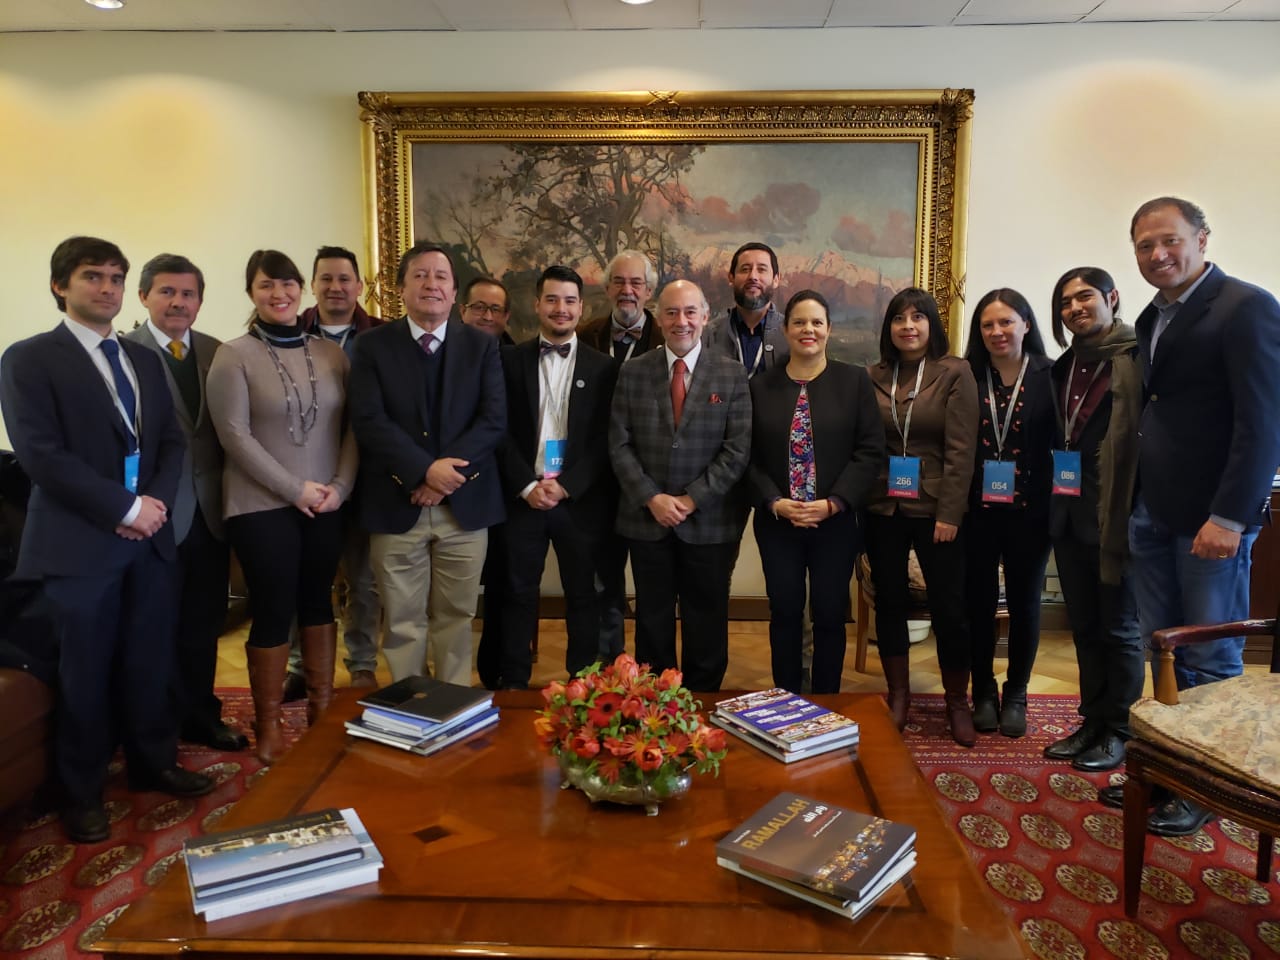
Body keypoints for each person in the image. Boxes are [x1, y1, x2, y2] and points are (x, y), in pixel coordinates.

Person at [1, 236, 213, 844]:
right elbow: (41, 455)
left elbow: (169, 442)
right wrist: (124, 507)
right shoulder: (28, 358)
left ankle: (153, 763)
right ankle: (81, 791)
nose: (107, 288)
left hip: (148, 541)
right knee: (84, 673)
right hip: (79, 546)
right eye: (92, 276)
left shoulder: (141, 359)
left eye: (116, 278)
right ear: (59, 285)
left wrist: (153, 507)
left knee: (149, 659)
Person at [1099, 197, 1280, 836]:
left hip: (1210, 521)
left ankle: (1207, 785)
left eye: (1169, 240)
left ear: (1201, 239)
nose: (1158, 255)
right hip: (1152, 512)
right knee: (1166, 649)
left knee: (1210, 652)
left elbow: (1263, 425)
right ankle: (1170, 769)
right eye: (1145, 245)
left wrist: (1229, 517)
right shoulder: (1153, 315)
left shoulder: (1245, 306)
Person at [206, 249, 357, 764]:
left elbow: (352, 429)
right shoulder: (233, 355)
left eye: (288, 284)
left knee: (318, 602)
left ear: (301, 290)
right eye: (267, 285)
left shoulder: (331, 354)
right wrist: (295, 489)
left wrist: (340, 487)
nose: (280, 293)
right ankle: (268, 723)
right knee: (273, 608)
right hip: (260, 504)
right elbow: (234, 436)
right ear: (251, 292)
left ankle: (321, 714)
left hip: (326, 502)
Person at [348, 242, 506, 685]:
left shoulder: (481, 347)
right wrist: (422, 472)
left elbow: (493, 420)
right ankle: (410, 704)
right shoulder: (371, 346)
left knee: (457, 616)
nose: (431, 284)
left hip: (464, 506)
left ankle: (453, 704)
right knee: (402, 619)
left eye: (441, 276)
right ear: (401, 288)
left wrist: (442, 479)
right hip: (395, 502)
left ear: (454, 293)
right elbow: (369, 420)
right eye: (420, 275)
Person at [124, 254, 247, 751]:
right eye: (167, 292)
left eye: (188, 294)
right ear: (144, 296)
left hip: (210, 513)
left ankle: (201, 716)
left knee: (203, 623)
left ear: (200, 301)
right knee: (152, 627)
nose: (179, 302)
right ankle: (152, 726)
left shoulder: (219, 352)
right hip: (150, 515)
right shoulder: (122, 352)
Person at [609, 279, 750, 692]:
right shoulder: (633, 372)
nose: (681, 321)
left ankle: (702, 701)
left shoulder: (731, 373)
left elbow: (737, 449)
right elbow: (618, 444)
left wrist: (691, 499)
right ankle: (656, 703)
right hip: (647, 519)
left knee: (706, 618)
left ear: (705, 317)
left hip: (709, 522)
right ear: (659, 317)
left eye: (690, 312)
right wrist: (651, 497)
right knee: (652, 618)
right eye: (671, 312)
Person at [747, 290, 883, 694]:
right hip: (778, 522)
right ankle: (786, 695)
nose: (808, 329)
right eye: (799, 322)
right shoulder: (760, 387)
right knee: (785, 610)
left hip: (835, 522)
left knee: (829, 613)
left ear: (829, 329)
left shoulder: (854, 381)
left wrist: (835, 503)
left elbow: (870, 450)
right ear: (786, 330)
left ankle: (827, 698)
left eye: (817, 322)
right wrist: (774, 501)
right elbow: (746, 457)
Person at [864, 288, 979, 746]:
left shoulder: (955, 372)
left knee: (950, 607)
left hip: (936, 510)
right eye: (899, 318)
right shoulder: (873, 375)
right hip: (883, 506)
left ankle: (956, 702)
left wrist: (950, 511)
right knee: (889, 602)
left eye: (918, 317)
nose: (908, 326)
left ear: (933, 324)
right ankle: (898, 695)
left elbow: (961, 449)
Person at [496, 266, 618, 687]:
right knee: (517, 594)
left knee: (584, 595)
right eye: (551, 299)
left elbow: (606, 438)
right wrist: (528, 485)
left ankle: (581, 684)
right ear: (537, 305)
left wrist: (566, 485)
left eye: (569, 301)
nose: (560, 308)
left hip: (578, 500)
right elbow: (498, 431)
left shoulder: (604, 368)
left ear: (581, 307)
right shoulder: (509, 361)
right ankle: (514, 685)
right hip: (523, 498)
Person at [1041, 267, 1143, 773]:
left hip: (1117, 515)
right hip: (1069, 513)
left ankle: (1120, 730)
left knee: (1119, 628)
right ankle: (1092, 720)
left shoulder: (1138, 359)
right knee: (1084, 625)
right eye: (1065, 302)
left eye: (1085, 297)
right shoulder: (1063, 367)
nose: (1075, 308)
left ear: (1112, 298)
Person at [279, 246, 384, 694]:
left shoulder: (382, 336)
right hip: (306, 478)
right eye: (326, 278)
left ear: (359, 286)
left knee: (364, 581)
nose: (336, 287)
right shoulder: (287, 333)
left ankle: (361, 663)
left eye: (344, 279)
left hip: (367, 480)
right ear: (313, 285)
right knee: (306, 577)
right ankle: (301, 665)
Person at [962, 289, 1055, 738]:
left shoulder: (1051, 375)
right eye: (987, 325)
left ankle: (1016, 692)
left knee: (1025, 603)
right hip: (976, 510)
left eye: (1006, 322)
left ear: (1026, 325)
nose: (997, 331)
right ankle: (982, 690)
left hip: (1031, 512)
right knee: (977, 603)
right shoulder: (965, 375)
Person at [577, 250, 663, 662]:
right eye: (619, 282)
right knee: (601, 581)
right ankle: (607, 669)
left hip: (650, 483)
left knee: (653, 587)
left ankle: (648, 676)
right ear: (608, 287)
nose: (627, 290)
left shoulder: (668, 337)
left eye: (636, 283)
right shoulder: (584, 335)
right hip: (596, 482)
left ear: (649, 291)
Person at [461, 275, 515, 689]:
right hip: (453, 485)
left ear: (506, 316)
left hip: (507, 490)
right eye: (478, 307)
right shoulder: (445, 354)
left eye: (495, 309)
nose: (486, 315)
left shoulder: (517, 359)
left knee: (501, 585)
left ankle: (493, 671)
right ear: (462, 310)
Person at [460, 275, 515, 345]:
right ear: (463, 311)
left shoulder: (515, 351)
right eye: (480, 307)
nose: (488, 317)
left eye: (496, 310)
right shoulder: (447, 346)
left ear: (506, 316)